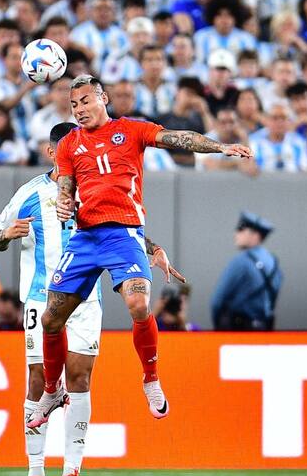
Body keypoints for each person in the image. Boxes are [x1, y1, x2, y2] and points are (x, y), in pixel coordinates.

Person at [26, 74, 250, 434]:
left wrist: (220, 147)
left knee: (138, 304)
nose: (79, 109)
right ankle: (52, 391)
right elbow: (66, 186)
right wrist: (66, 203)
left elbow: (180, 139)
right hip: (85, 239)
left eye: (85, 101)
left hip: (124, 234)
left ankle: (151, 378)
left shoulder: (131, 130)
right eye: (74, 105)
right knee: (51, 320)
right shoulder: (68, 144)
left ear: (103, 98)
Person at [0, 121, 182, 476]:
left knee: (79, 379)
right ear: (53, 153)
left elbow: (119, 230)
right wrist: (6, 235)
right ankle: (33, 473)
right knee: (38, 379)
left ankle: (72, 473)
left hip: (87, 299)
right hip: (40, 298)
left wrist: (153, 247)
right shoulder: (29, 193)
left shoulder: (93, 186)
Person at [212, 211, 282, 330]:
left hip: (240, 330)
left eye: (241, 229)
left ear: (255, 235)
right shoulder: (273, 262)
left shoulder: (241, 261)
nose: (236, 234)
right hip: (265, 328)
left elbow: (217, 301)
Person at [248, 103, 307, 172]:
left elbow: (304, 170)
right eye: (275, 118)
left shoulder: (298, 142)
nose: (280, 122)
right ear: (267, 120)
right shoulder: (254, 141)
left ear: (289, 121)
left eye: (283, 118)